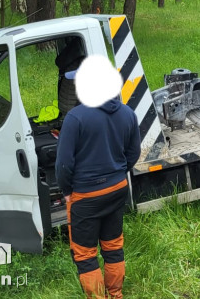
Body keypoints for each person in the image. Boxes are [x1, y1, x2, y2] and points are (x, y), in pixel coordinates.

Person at [56, 56, 141, 299]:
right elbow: (133, 153)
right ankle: (115, 294)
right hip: (117, 188)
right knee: (113, 246)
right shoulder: (127, 114)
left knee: (85, 254)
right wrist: (116, 173)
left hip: (85, 195)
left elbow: (63, 164)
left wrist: (67, 190)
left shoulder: (75, 118)